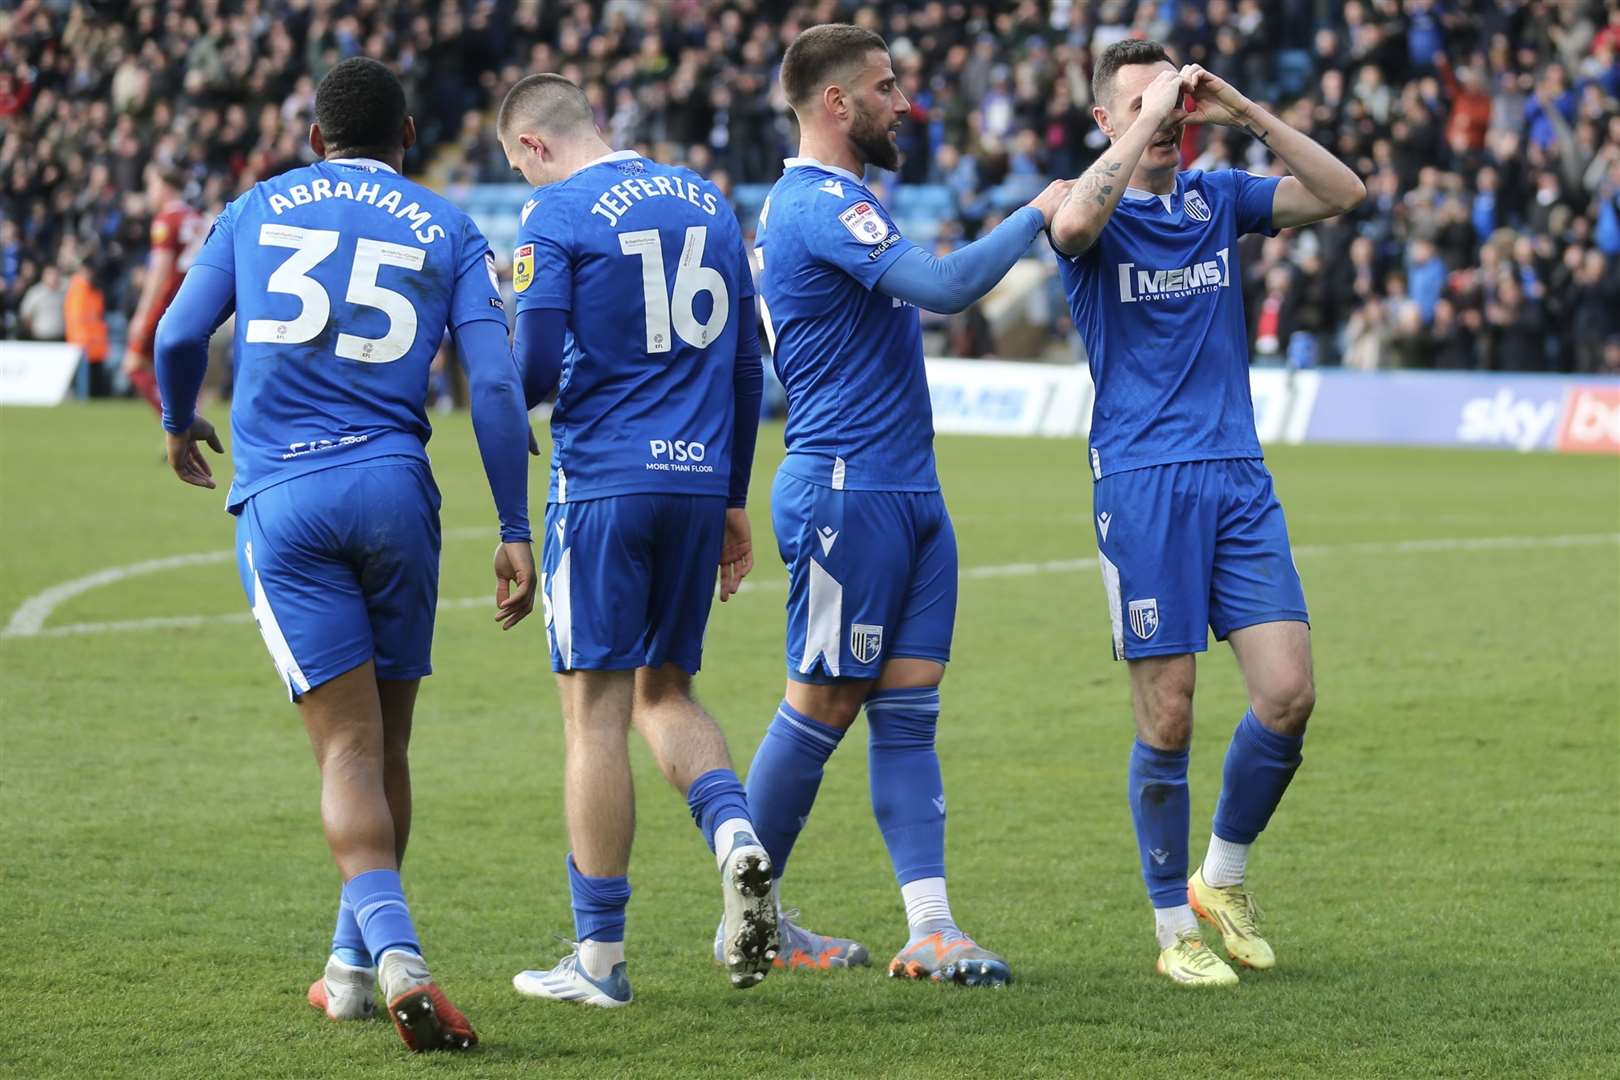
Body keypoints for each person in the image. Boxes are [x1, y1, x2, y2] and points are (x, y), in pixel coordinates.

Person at [154, 57, 535, 1050]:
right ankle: (349, 972)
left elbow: (176, 334)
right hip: (397, 493)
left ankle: (399, 957)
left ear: (315, 139)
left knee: (345, 749)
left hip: (287, 495)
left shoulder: (255, 207)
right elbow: (493, 391)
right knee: (386, 744)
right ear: (409, 138)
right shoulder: (445, 223)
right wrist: (513, 528)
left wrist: (175, 418)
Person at [742, 24, 1070, 987]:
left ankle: (930, 928)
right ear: (835, 104)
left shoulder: (848, 200)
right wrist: (1037, 212)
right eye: (885, 87)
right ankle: (750, 917)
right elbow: (944, 288)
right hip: (848, 489)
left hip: (909, 491)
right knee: (820, 706)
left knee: (909, 713)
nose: (902, 102)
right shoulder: (810, 205)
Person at [1048, 39, 1364, 987]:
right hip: (1142, 483)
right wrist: (1150, 114)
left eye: (1174, 102)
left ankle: (1217, 878)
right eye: (1142, 105)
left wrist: (1240, 109)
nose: (1168, 117)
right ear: (1106, 121)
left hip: (1235, 473)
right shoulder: (1086, 207)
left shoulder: (1217, 199)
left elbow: (1342, 192)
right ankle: (1166, 930)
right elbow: (1070, 234)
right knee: (1170, 712)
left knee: (1288, 692)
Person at [496, 73, 775, 1008]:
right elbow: (746, 363)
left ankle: (600, 961)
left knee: (595, 714)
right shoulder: (706, 197)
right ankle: (736, 834)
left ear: (532, 147)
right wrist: (733, 493)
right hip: (699, 480)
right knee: (667, 690)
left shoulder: (558, 214)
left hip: (605, 484)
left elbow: (533, 370)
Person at [127, 165, 204, 415]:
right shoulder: (195, 217)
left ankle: (181, 425)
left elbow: (160, 272)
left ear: (166, 188)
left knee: (133, 364)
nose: (149, 192)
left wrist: (141, 314)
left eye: (152, 185)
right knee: (178, 372)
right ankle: (187, 420)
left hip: (166, 302)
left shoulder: (165, 221)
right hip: (194, 302)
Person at [63, 258, 111, 397]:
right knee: (85, 390)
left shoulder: (95, 290)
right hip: (82, 345)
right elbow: (77, 319)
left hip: (96, 345)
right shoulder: (77, 290)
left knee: (96, 389)